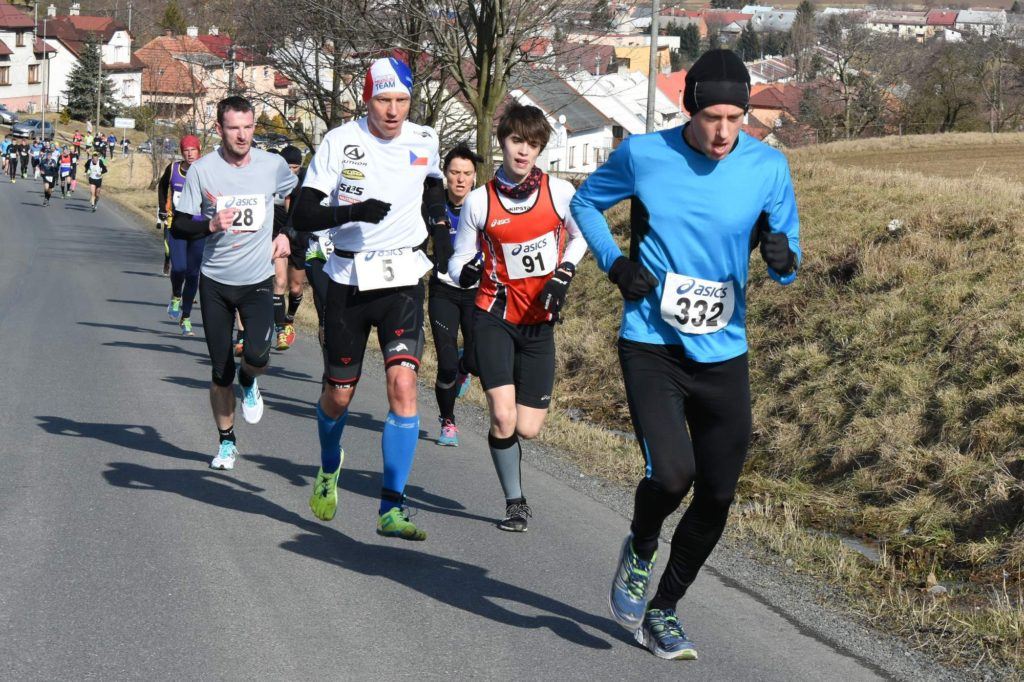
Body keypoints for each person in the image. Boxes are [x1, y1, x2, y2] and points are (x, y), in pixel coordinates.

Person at [570, 49, 802, 661]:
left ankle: (665, 609)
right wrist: (615, 263)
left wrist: (783, 261)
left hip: (724, 352)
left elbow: (788, 253)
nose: (724, 131)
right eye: (711, 118)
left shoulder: (768, 167)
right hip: (652, 344)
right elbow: (585, 203)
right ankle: (641, 544)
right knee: (674, 474)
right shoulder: (644, 156)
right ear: (688, 110)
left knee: (719, 494)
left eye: (736, 117)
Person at [292, 57, 445, 541]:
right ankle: (328, 464)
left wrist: (439, 222)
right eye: (384, 100)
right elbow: (303, 211)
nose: (394, 110)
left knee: (403, 385)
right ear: (367, 99)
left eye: (402, 100)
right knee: (339, 395)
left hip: (402, 276)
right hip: (349, 279)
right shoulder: (341, 141)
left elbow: (434, 183)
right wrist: (354, 210)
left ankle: (391, 506)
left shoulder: (424, 138)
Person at [448, 102, 587, 533]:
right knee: (503, 417)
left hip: (539, 321)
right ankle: (515, 502)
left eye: (532, 144)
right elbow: (458, 259)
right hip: (493, 315)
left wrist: (564, 271)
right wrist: (466, 269)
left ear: (540, 147)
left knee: (528, 428)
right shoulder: (479, 201)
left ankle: (471, 365)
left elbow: (583, 237)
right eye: (515, 142)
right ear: (502, 143)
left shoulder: (560, 193)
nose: (523, 152)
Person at [171, 95, 298, 471]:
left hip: (258, 279)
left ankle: (250, 381)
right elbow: (179, 224)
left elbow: (298, 195)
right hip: (216, 282)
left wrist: (286, 232)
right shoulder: (203, 171)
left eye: (248, 127)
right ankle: (227, 442)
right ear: (219, 129)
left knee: (258, 357)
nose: (242, 136)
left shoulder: (272, 165)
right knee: (219, 370)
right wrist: (209, 224)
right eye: (234, 128)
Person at [429, 143, 482, 447]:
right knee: (446, 362)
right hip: (444, 292)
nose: (460, 179)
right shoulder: (434, 206)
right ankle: (447, 421)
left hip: (477, 293)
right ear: (446, 175)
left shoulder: (483, 205)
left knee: (476, 361)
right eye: (454, 173)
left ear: (475, 177)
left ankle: (467, 366)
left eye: (466, 174)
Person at [158, 135, 205, 335]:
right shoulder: (173, 169)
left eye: (193, 150)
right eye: (186, 150)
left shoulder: (205, 171)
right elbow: (161, 188)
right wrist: (162, 209)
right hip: (177, 225)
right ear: (182, 152)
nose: (190, 153)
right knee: (179, 268)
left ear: (199, 150)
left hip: (199, 227)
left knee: (194, 274)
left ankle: (185, 318)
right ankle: (176, 295)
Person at [271, 144, 307, 351]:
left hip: (298, 237)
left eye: (295, 167)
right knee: (280, 282)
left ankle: (290, 318)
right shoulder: (272, 178)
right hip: (277, 236)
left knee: (295, 288)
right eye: (287, 166)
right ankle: (280, 331)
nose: (291, 171)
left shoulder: (304, 182)